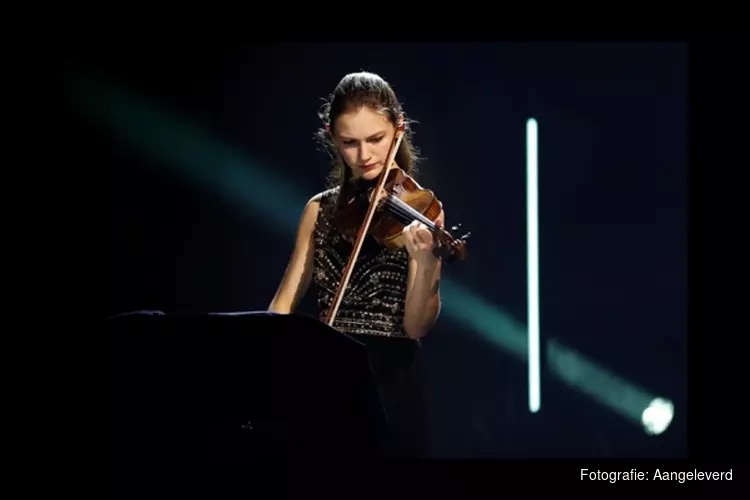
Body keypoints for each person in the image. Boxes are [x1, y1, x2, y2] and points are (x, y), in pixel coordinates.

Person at [268, 71, 445, 457]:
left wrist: (425, 262)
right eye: (349, 143)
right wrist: (272, 364)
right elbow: (282, 306)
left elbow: (416, 326)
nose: (364, 156)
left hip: (390, 379)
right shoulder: (319, 209)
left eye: (376, 140)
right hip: (326, 372)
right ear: (332, 137)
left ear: (398, 130)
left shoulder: (422, 211)